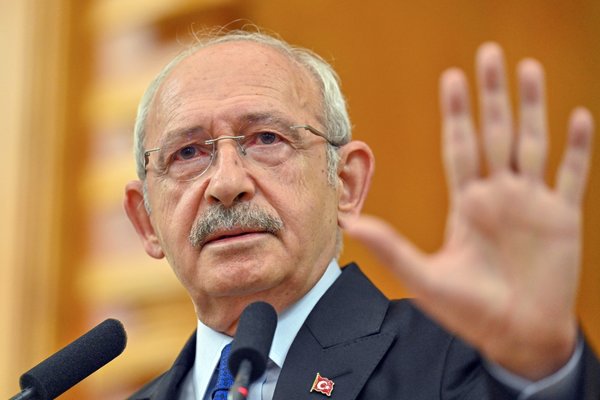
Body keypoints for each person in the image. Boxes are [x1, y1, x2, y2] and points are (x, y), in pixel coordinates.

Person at [123, 29, 600, 399]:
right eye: (187, 153)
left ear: (346, 184)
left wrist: (542, 370)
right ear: (146, 221)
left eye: (267, 139)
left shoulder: (462, 359)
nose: (227, 184)